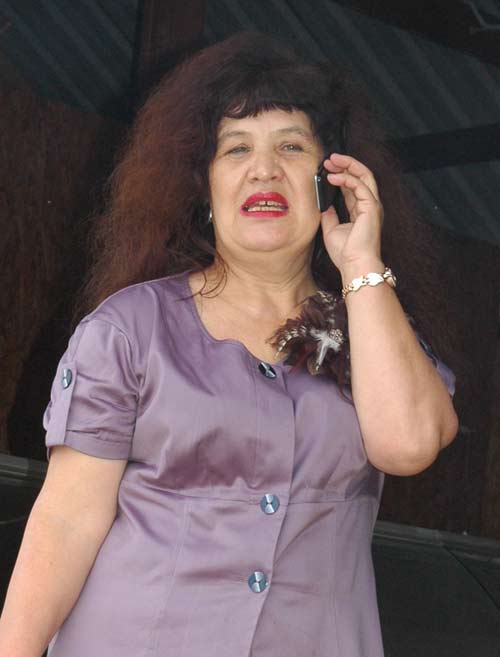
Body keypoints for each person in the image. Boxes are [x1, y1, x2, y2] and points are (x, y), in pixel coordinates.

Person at [0, 31, 458, 657]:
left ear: (329, 182)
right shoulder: (130, 329)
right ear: (204, 187)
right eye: (236, 148)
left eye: (291, 146)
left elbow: (409, 446)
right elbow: (65, 522)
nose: (264, 168)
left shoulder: (373, 326)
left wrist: (361, 267)